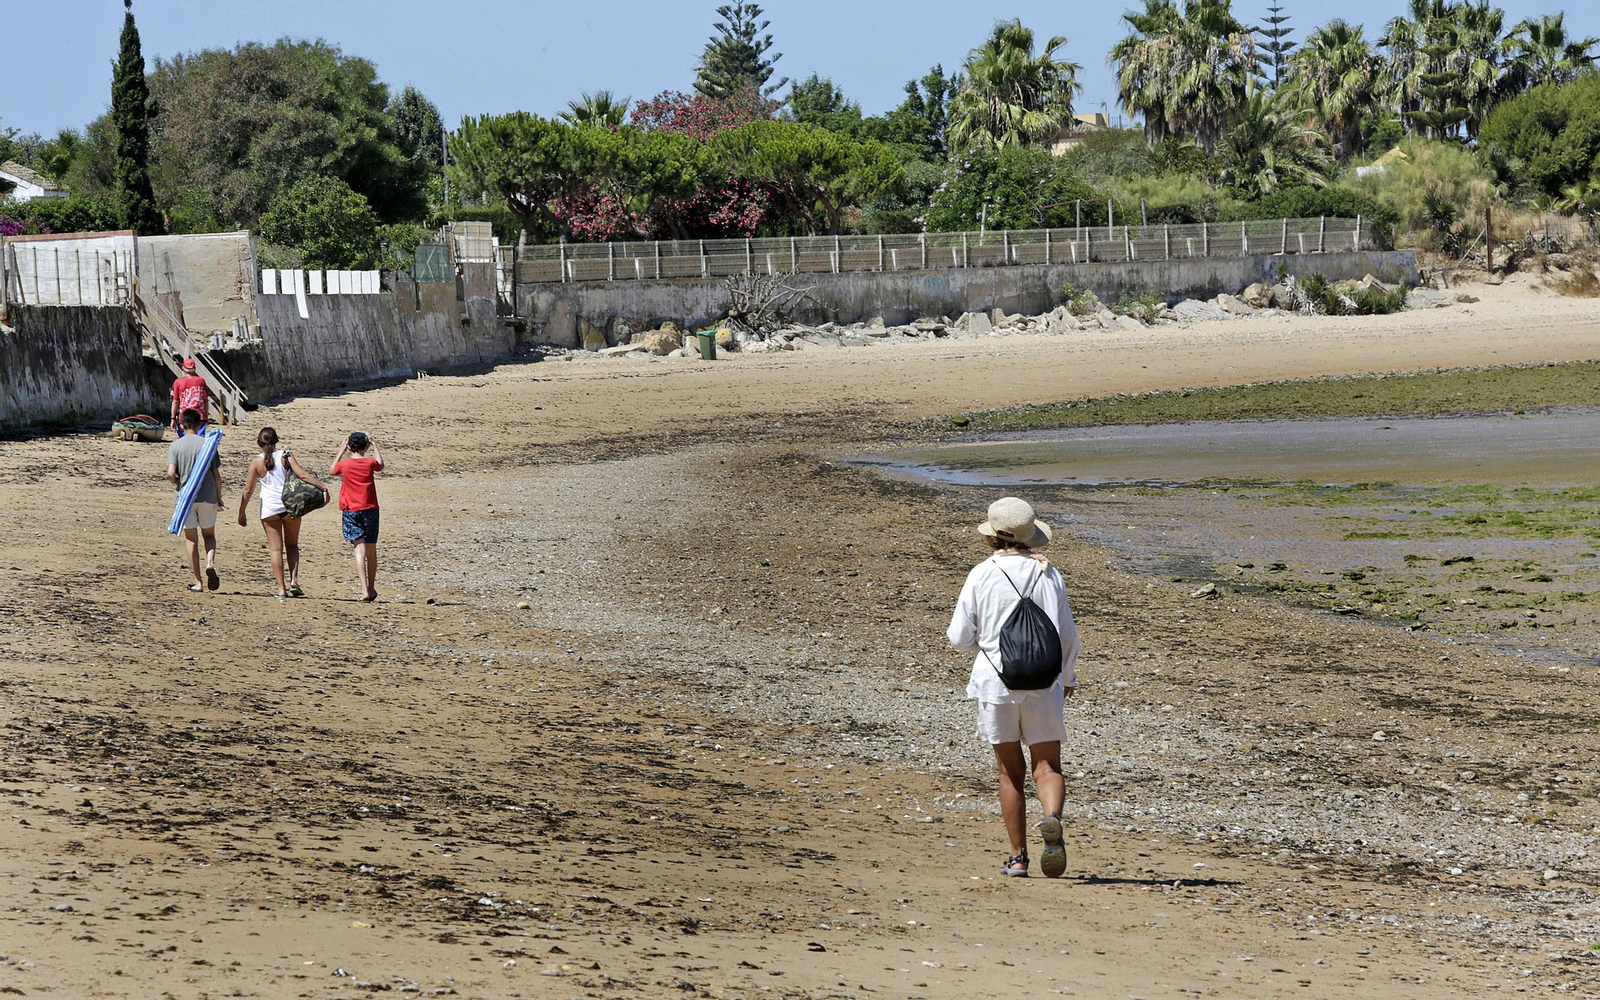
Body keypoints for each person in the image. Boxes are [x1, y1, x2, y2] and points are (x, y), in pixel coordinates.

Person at [947, 496, 1081, 879]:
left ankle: (1018, 858)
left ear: (992, 536)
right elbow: (1067, 636)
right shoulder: (1050, 574)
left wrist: (985, 646)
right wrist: (1067, 676)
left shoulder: (981, 574)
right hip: (1043, 682)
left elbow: (959, 637)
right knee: (1048, 766)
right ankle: (1051, 818)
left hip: (995, 683)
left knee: (1009, 772)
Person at [236, 427, 330, 600]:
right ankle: (294, 581)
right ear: (276, 440)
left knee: (275, 550)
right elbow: (302, 475)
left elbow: (248, 490)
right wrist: (322, 488)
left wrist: (242, 511)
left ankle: (281, 589)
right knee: (292, 545)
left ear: (259, 443)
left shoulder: (256, 462)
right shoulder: (286, 455)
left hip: (269, 509)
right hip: (290, 506)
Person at [166, 408, 226, 593]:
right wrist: (219, 498)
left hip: (186, 498)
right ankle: (210, 562)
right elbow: (217, 476)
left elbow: (170, 473)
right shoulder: (208, 445)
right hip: (207, 496)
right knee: (209, 536)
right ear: (200, 424)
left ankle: (198, 582)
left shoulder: (176, 446)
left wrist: (176, 481)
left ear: (182, 425)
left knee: (191, 540)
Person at [330, 432, 385, 602]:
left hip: (352, 510)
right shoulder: (369, 463)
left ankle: (364, 589)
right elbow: (380, 465)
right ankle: (371, 587)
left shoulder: (345, 465)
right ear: (365, 447)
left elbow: (332, 470)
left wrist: (340, 451)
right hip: (370, 509)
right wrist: (376, 445)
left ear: (349, 447)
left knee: (359, 550)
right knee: (371, 550)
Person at [169, 358, 210, 437]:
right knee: (199, 441)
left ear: (183, 368)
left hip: (184, 417)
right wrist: (206, 416)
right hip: (199, 416)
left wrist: (173, 419)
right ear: (194, 369)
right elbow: (205, 400)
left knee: (184, 440)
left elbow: (175, 402)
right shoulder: (201, 381)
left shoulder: (178, 382)